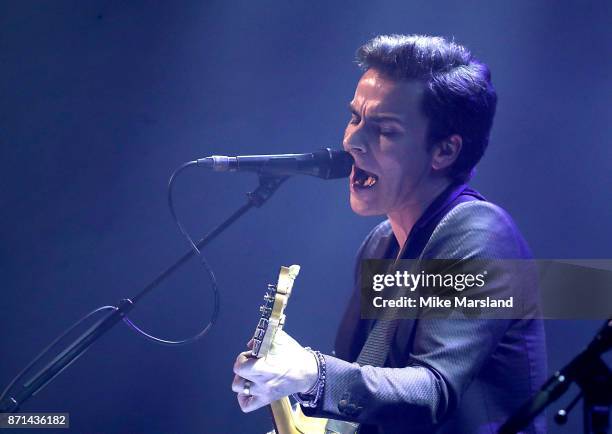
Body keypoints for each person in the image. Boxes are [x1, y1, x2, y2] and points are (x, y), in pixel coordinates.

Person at [232, 34, 546, 434]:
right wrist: (289, 392)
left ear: (444, 151)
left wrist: (311, 372)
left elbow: (432, 392)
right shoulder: (381, 244)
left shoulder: (481, 235)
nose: (352, 141)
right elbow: (367, 395)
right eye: (355, 117)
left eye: (386, 129)